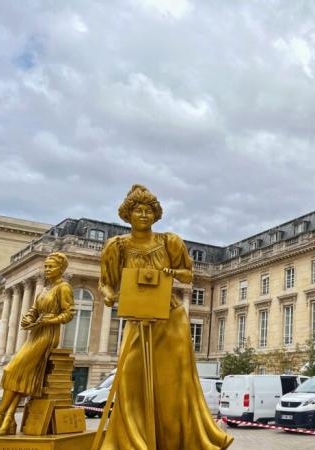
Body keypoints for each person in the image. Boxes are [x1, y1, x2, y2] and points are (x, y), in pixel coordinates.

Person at [98, 184, 233, 449]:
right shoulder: (116, 246)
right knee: (130, 379)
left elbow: (188, 274)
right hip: (137, 319)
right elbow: (106, 283)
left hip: (170, 318)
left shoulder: (169, 241)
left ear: (156, 214)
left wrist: (171, 272)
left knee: (173, 385)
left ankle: (174, 442)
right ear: (128, 214)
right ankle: (135, 443)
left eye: (149, 210)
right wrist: (107, 296)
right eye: (138, 210)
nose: (144, 215)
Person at [0, 252, 74, 435]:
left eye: (51, 266)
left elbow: (69, 314)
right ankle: (8, 420)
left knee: (11, 370)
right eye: (45, 266)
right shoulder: (44, 289)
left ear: (61, 268)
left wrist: (50, 320)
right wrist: (28, 318)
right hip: (35, 333)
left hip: (48, 334)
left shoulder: (64, 287)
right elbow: (34, 309)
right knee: (21, 377)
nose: (47, 270)